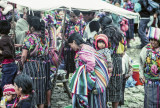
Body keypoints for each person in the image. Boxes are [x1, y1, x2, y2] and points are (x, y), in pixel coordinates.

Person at [69, 33, 110, 108]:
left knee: (95, 103)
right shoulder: (87, 47)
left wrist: (88, 78)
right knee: (99, 103)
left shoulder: (83, 52)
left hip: (95, 81)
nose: (71, 47)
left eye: (71, 45)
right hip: (100, 79)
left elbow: (91, 63)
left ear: (74, 42)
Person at [21, 16, 50, 108]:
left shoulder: (29, 37)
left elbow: (24, 55)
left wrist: (22, 63)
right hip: (41, 66)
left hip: (30, 66)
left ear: (32, 27)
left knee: (29, 88)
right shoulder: (45, 38)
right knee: (40, 89)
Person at [99, 15, 126, 108]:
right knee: (116, 85)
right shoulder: (120, 33)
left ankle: (104, 105)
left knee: (105, 82)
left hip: (107, 61)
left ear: (102, 25)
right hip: (118, 61)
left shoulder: (104, 33)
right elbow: (124, 49)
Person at [140, 27, 160, 108]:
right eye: (151, 39)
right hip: (149, 82)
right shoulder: (146, 49)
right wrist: (141, 75)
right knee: (149, 100)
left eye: (155, 40)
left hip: (159, 81)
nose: (153, 42)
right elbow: (141, 64)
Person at [0, 20, 17, 90]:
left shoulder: (3, 40)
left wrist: (0, 52)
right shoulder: (9, 38)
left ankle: (6, 101)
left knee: (5, 87)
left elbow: (8, 53)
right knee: (10, 86)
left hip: (8, 66)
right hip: (12, 65)